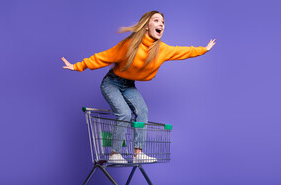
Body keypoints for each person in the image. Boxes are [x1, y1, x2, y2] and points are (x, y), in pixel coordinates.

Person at [62, 11, 216, 163]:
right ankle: (115, 153)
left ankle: (138, 153)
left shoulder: (162, 49)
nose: (161, 24)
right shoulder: (129, 45)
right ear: (146, 26)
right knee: (124, 114)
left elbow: (183, 51)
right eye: (156, 20)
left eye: (163, 22)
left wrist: (204, 49)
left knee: (143, 111)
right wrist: (78, 66)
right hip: (111, 83)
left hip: (129, 85)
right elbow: (104, 56)